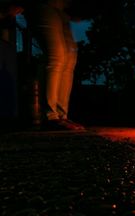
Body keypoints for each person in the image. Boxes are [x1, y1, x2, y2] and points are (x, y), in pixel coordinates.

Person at [22, 0, 84, 130]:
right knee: (56, 55)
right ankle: (50, 116)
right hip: (44, 4)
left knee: (69, 57)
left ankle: (62, 115)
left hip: (62, 9)